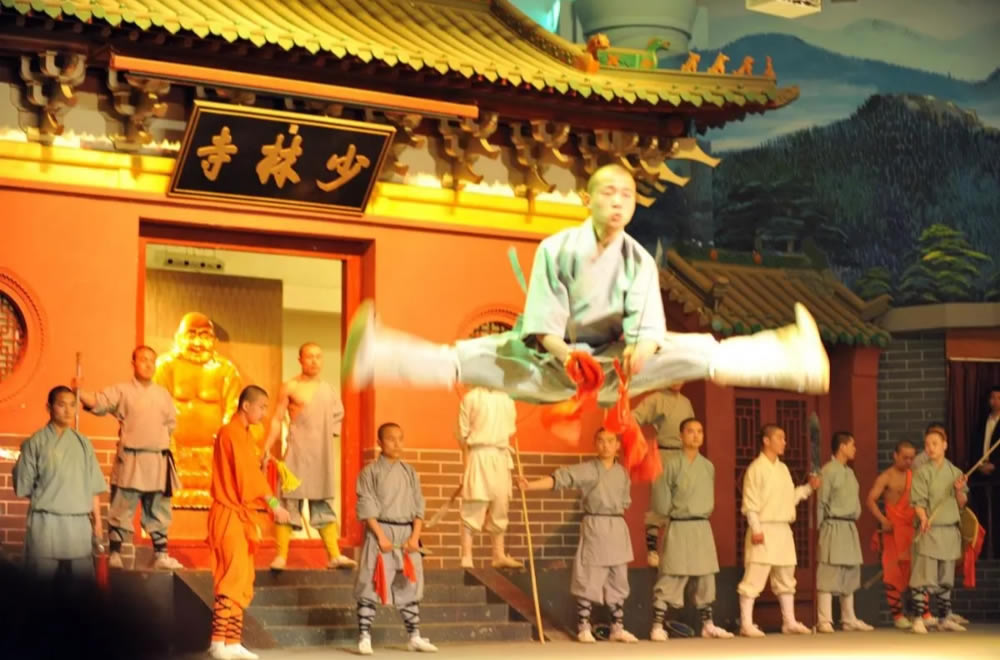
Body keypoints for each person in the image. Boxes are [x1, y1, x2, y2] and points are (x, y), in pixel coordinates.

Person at [342, 165, 829, 406]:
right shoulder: (557, 249)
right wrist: (568, 356)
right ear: (589, 200)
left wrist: (639, 353)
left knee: (699, 351)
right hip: (556, 364)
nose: (618, 202)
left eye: (628, 195)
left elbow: (647, 332)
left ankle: (795, 363)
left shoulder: (638, 260)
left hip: (616, 366)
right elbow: (542, 327)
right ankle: (376, 357)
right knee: (471, 357)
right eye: (609, 193)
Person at [519, 428, 639, 644]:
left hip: (617, 527)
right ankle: (584, 627)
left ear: (617, 445)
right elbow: (561, 478)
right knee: (588, 576)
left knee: (618, 578)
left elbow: (625, 501)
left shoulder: (622, 473)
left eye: (610, 441)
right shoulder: (588, 470)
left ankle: (617, 628)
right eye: (600, 441)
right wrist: (530, 485)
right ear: (595, 444)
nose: (605, 445)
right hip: (595, 525)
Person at [78, 346, 183, 570]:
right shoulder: (122, 390)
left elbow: (171, 425)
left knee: (159, 508)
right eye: (143, 359)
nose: (148, 364)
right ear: (133, 363)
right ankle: (115, 553)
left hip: (158, 459)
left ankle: (161, 554)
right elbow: (98, 402)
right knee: (122, 506)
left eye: (152, 360)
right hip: (131, 458)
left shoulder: (163, 394)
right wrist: (79, 391)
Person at [207, 386, 291, 660]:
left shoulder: (243, 435)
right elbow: (248, 479)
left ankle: (232, 642)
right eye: (262, 407)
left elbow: (248, 473)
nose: (264, 413)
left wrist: (260, 465)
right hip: (229, 514)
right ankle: (217, 642)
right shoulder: (230, 432)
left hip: (239, 515)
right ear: (246, 406)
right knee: (231, 577)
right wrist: (274, 504)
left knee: (243, 579)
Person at [261, 342, 353, 570]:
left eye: (318, 356)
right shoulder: (290, 387)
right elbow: (277, 418)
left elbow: (337, 418)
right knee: (288, 500)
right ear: (300, 360)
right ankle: (281, 556)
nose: (314, 361)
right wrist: (267, 445)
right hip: (296, 452)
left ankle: (334, 555)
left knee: (323, 502)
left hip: (321, 454)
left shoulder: (329, 391)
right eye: (309, 356)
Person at [354, 423, 437, 655]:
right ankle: (364, 636)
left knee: (410, 584)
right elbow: (366, 505)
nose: (397, 443)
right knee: (370, 582)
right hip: (380, 530)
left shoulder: (410, 472)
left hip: (407, 533)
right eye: (391, 439)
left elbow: (419, 506)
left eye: (400, 438)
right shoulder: (369, 472)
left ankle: (414, 636)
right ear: (379, 443)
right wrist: (380, 536)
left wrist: (415, 537)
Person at [649, 418, 732, 641]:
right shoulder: (671, 464)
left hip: (702, 526)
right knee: (672, 574)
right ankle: (657, 625)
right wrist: (670, 514)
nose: (696, 436)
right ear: (681, 436)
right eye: (690, 431)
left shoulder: (708, 466)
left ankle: (708, 624)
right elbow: (661, 500)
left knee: (706, 576)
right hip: (679, 524)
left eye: (699, 431)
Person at [13, 386, 107, 582]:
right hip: (46, 522)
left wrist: (97, 523)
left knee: (81, 586)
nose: (68, 411)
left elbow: (93, 487)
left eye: (72, 405)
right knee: (41, 584)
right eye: (62, 405)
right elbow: (24, 486)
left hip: (79, 524)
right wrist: (52, 496)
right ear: (49, 407)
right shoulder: (35, 442)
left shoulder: (84, 443)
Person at [737, 424, 820, 637]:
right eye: (780, 438)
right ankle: (746, 623)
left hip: (783, 528)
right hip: (763, 526)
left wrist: (808, 488)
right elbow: (750, 503)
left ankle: (789, 621)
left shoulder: (782, 469)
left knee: (786, 577)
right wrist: (756, 528)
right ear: (766, 440)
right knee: (754, 577)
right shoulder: (756, 468)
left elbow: (788, 498)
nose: (784, 442)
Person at [154, 312, 241, 509]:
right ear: (178, 338)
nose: (197, 342)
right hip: (175, 452)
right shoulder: (166, 366)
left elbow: (233, 409)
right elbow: (157, 409)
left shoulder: (225, 370)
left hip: (213, 453)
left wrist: (222, 441)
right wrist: (170, 444)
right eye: (191, 335)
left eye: (204, 336)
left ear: (214, 340)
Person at [909, 429, 968, 634]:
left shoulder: (956, 473)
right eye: (927, 444)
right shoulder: (922, 473)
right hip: (930, 530)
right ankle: (917, 618)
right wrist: (923, 517)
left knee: (946, 578)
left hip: (949, 531)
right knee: (923, 576)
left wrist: (959, 490)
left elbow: (962, 503)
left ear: (945, 445)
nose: (930, 448)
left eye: (934, 443)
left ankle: (944, 618)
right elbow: (918, 502)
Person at [457, 387, 522, 569]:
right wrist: (466, 467)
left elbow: (509, 430)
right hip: (478, 455)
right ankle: (467, 555)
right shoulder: (471, 397)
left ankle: (498, 554)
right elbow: (462, 436)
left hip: (501, 456)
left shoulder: (507, 398)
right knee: (474, 504)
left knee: (500, 505)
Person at [816, 432, 874, 633]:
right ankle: (824, 619)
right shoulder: (828, 471)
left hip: (849, 526)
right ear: (842, 446)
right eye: (852, 445)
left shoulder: (849, 473)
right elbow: (821, 502)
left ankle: (849, 618)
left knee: (849, 572)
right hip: (832, 524)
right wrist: (820, 528)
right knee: (829, 571)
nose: (854, 449)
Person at [632, 384, 695, 567]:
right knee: (660, 501)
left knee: (682, 503)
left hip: (683, 456)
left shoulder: (686, 402)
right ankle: (652, 548)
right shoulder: (657, 399)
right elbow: (634, 418)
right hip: (664, 454)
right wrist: (642, 444)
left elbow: (692, 429)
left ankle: (677, 548)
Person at [865, 439, 917, 628]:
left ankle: (916, 614)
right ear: (895, 456)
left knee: (914, 573)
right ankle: (898, 616)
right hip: (893, 531)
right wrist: (883, 520)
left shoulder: (915, 476)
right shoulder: (886, 477)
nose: (908, 461)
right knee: (892, 573)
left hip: (911, 530)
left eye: (911, 458)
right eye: (905, 458)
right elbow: (870, 500)